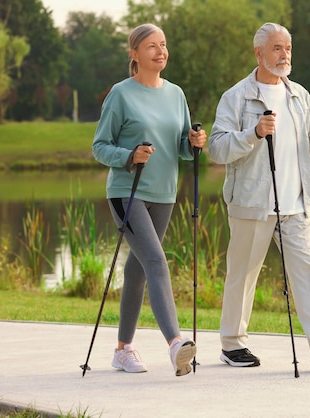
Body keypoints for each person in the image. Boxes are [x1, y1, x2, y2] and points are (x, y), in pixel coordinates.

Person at [208, 22, 310, 371]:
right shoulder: (236, 97)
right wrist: (254, 133)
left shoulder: (299, 95)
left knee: (307, 272)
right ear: (259, 53)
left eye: (287, 48)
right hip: (251, 202)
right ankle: (232, 344)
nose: (284, 54)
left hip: (295, 203)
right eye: (276, 48)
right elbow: (216, 148)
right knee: (242, 275)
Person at [92, 23, 207, 377]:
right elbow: (100, 146)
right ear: (134, 54)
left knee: (139, 268)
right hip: (127, 192)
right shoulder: (121, 94)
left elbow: (182, 148)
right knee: (156, 261)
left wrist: (195, 142)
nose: (161, 51)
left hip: (164, 193)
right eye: (152, 46)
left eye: (164, 45)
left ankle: (123, 350)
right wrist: (129, 156)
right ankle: (175, 344)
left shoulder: (176, 94)